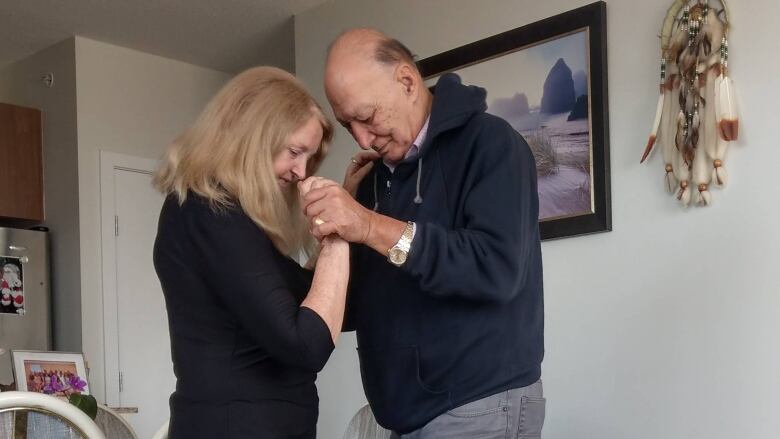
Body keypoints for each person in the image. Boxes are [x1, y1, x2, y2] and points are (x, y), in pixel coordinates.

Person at [301, 29, 546, 438]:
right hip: (404, 415)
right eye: (348, 125)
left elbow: (496, 270)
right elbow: (353, 306)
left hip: (478, 406)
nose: (362, 138)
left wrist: (367, 224)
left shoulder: (493, 144)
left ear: (407, 82)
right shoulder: (373, 180)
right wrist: (337, 231)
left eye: (367, 117)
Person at [153, 66, 350, 439]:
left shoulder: (227, 221)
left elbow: (319, 301)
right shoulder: (212, 212)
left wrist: (351, 215)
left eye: (308, 158)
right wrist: (337, 237)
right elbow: (308, 344)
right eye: (295, 151)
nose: (301, 171)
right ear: (254, 135)